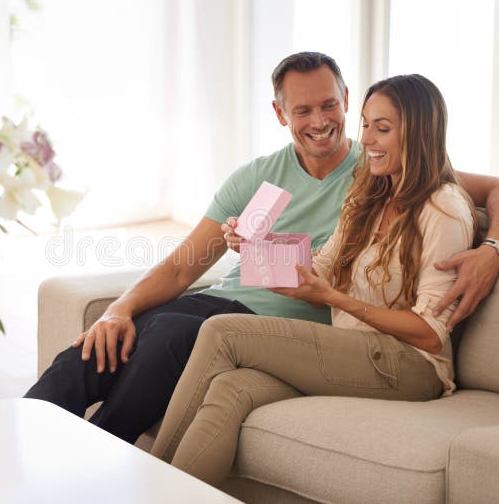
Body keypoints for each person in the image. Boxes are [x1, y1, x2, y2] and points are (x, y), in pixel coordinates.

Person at [24, 53, 499, 444]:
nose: (319, 121)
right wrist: (119, 309)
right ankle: (18, 444)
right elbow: (183, 268)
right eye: (303, 109)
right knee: (102, 345)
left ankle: (97, 453)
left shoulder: (380, 167)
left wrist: (494, 248)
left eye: (330, 104)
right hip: (221, 303)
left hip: (293, 331)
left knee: (172, 332)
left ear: (346, 98)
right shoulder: (257, 177)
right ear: (279, 112)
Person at [150, 73, 476, 486]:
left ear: (420, 133)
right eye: (366, 124)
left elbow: (431, 333)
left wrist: (336, 299)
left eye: (384, 128)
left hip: (412, 366)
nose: (368, 140)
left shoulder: (444, 209)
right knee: (230, 390)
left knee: (222, 332)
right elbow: (316, 272)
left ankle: (150, 484)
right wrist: (253, 248)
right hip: (354, 351)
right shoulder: (369, 196)